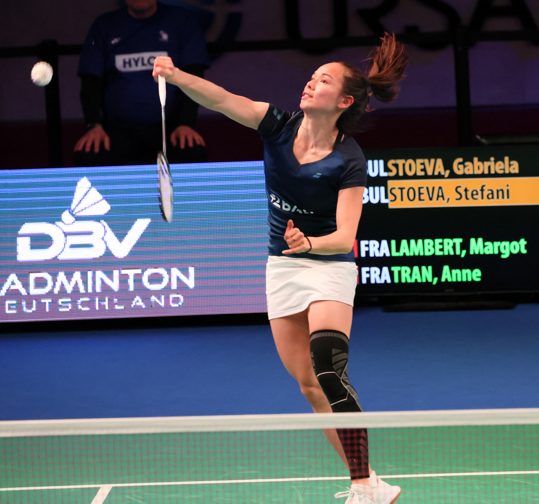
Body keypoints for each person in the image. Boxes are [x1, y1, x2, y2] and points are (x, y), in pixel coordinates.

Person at [152, 33, 408, 504]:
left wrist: (310, 241)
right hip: (282, 267)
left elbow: (347, 233)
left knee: (329, 369)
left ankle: (361, 488)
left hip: (328, 266)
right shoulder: (277, 125)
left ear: (344, 100)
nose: (310, 84)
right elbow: (225, 100)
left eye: (323, 80)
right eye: (311, 77)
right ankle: (370, 480)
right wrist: (175, 75)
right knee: (309, 386)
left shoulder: (349, 159)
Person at [75, 0, 209, 166]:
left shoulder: (183, 21)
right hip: (117, 131)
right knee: (89, 154)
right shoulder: (104, 25)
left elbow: (194, 76)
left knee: (192, 151)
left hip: (171, 129)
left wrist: (186, 123)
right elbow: (90, 82)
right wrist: (93, 125)